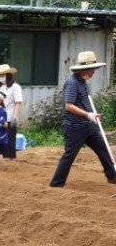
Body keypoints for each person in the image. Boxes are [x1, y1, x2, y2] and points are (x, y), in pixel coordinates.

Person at [50, 51, 116, 187]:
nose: (94, 72)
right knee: (69, 155)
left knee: (103, 148)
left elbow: (84, 103)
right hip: (74, 127)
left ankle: (112, 176)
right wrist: (87, 115)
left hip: (88, 125)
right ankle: (56, 184)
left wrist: (92, 115)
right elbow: (69, 105)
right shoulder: (72, 83)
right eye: (93, 69)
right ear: (84, 69)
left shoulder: (83, 82)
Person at [0, 64, 22, 159]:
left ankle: (9, 160)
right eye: (0, 75)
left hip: (9, 118)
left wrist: (15, 117)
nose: (1, 77)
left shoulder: (15, 87)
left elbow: (18, 102)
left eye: (3, 75)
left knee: (9, 140)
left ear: (8, 75)